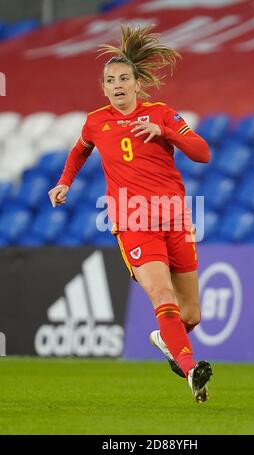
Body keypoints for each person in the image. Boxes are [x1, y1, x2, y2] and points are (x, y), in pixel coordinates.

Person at [48, 25, 212, 404]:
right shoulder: (96, 121)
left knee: (191, 315)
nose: (117, 85)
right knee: (161, 295)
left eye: (124, 78)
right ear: (103, 88)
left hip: (174, 219)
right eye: (110, 80)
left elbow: (202, 153)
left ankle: (165, 341)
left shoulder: (162, 114)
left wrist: (166, 132)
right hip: (133, 221)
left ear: (138, 83)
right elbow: (79, 150)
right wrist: (64, 183)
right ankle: (191, 370)